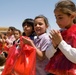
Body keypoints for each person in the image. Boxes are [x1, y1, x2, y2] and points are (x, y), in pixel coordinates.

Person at [45, 0, 76, 75]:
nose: (56, 21)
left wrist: (61, 43)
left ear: (72, 16)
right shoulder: (59, 33)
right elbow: (48, 55)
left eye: (60, 17)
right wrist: (54, 46)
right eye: (56, 17)